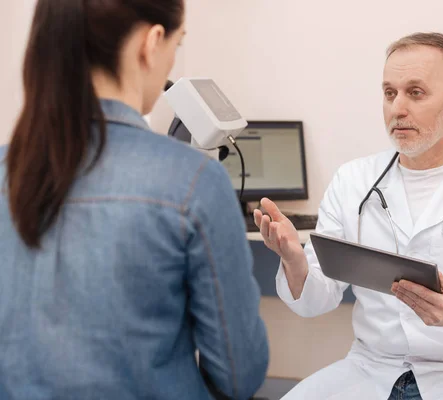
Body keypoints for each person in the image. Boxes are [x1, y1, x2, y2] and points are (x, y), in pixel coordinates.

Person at [254, 32, 443, 400]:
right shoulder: (354, 181)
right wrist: (295, 261)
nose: (397, 108)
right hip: (370, 368)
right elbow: (318, 298)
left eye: (415, 92)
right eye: (389, 92)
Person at [0, 1, 268, 399]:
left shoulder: (7, 169)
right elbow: (238, 374)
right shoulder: (195, 182)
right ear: (152, 42)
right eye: (178, 45)